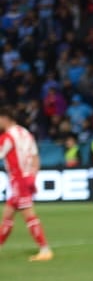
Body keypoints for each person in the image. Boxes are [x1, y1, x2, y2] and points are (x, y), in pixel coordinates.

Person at [0, 108, 53, 262]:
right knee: (8, 215)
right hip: (27, 178)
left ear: (5, 118)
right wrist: (32, 176)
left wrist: (24, 179)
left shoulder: (8, 137)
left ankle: (45, 249)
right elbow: (36, 157)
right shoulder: (25, 133)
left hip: (19, 180)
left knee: (29, 215)